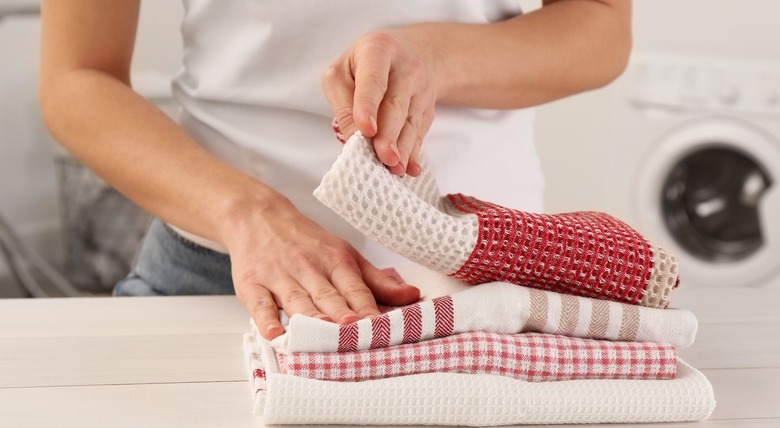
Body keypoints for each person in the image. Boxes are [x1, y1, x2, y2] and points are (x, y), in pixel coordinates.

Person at [39, 0, 632, 340]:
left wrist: (438, 57)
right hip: (216, 277)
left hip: (484, 285)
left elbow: (601, 25)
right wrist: (248, 213)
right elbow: (77, 77)